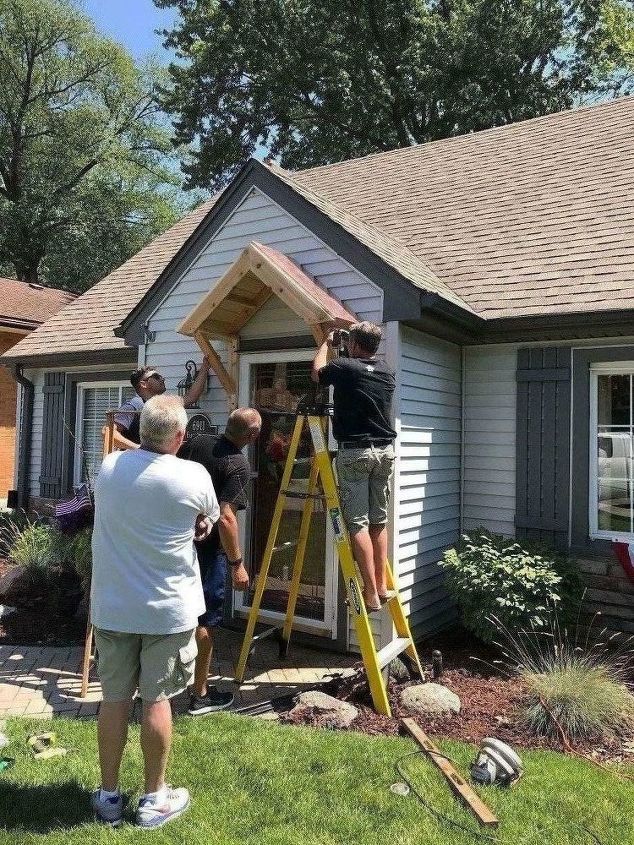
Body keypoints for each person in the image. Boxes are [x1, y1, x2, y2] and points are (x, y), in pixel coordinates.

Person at [90, 394, 220, 829]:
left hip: (112, 608)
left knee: (113, 700)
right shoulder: (194, 474)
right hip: (167, 611)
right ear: (181, 436)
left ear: (141, 429)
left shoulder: (108, 468)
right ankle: (154, 799)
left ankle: (108, 796)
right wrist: (198, 525)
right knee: (156, 700)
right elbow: (208, 519)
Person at [178, 407, 262, 715]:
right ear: (252, 436)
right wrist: (237, 563)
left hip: (175, 543)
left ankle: (156, 685)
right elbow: (226, 518)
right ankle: (199, 695)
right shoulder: (236, 463)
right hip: (207, 550)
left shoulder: (194, 443)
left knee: (174, 614)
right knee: (205, 619)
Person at [312, 321, 396, 612]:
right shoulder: (386, 371)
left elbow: (317, 372)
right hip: (384, 452)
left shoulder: (346, 367)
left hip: (356, 454)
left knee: (357, 523)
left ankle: (370, 593)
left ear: (356, 345)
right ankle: (382, 586)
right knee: (378, 521)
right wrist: (345, 348)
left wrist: (326, 342)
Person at [113, 360, 211, 449]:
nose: (162, 379)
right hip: (133, 466)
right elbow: (108, 432)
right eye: (156, 377)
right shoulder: (133, 407)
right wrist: (138, 449)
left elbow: (191, 397)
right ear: (143, 384)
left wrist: (205, 367)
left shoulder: (165, 404)